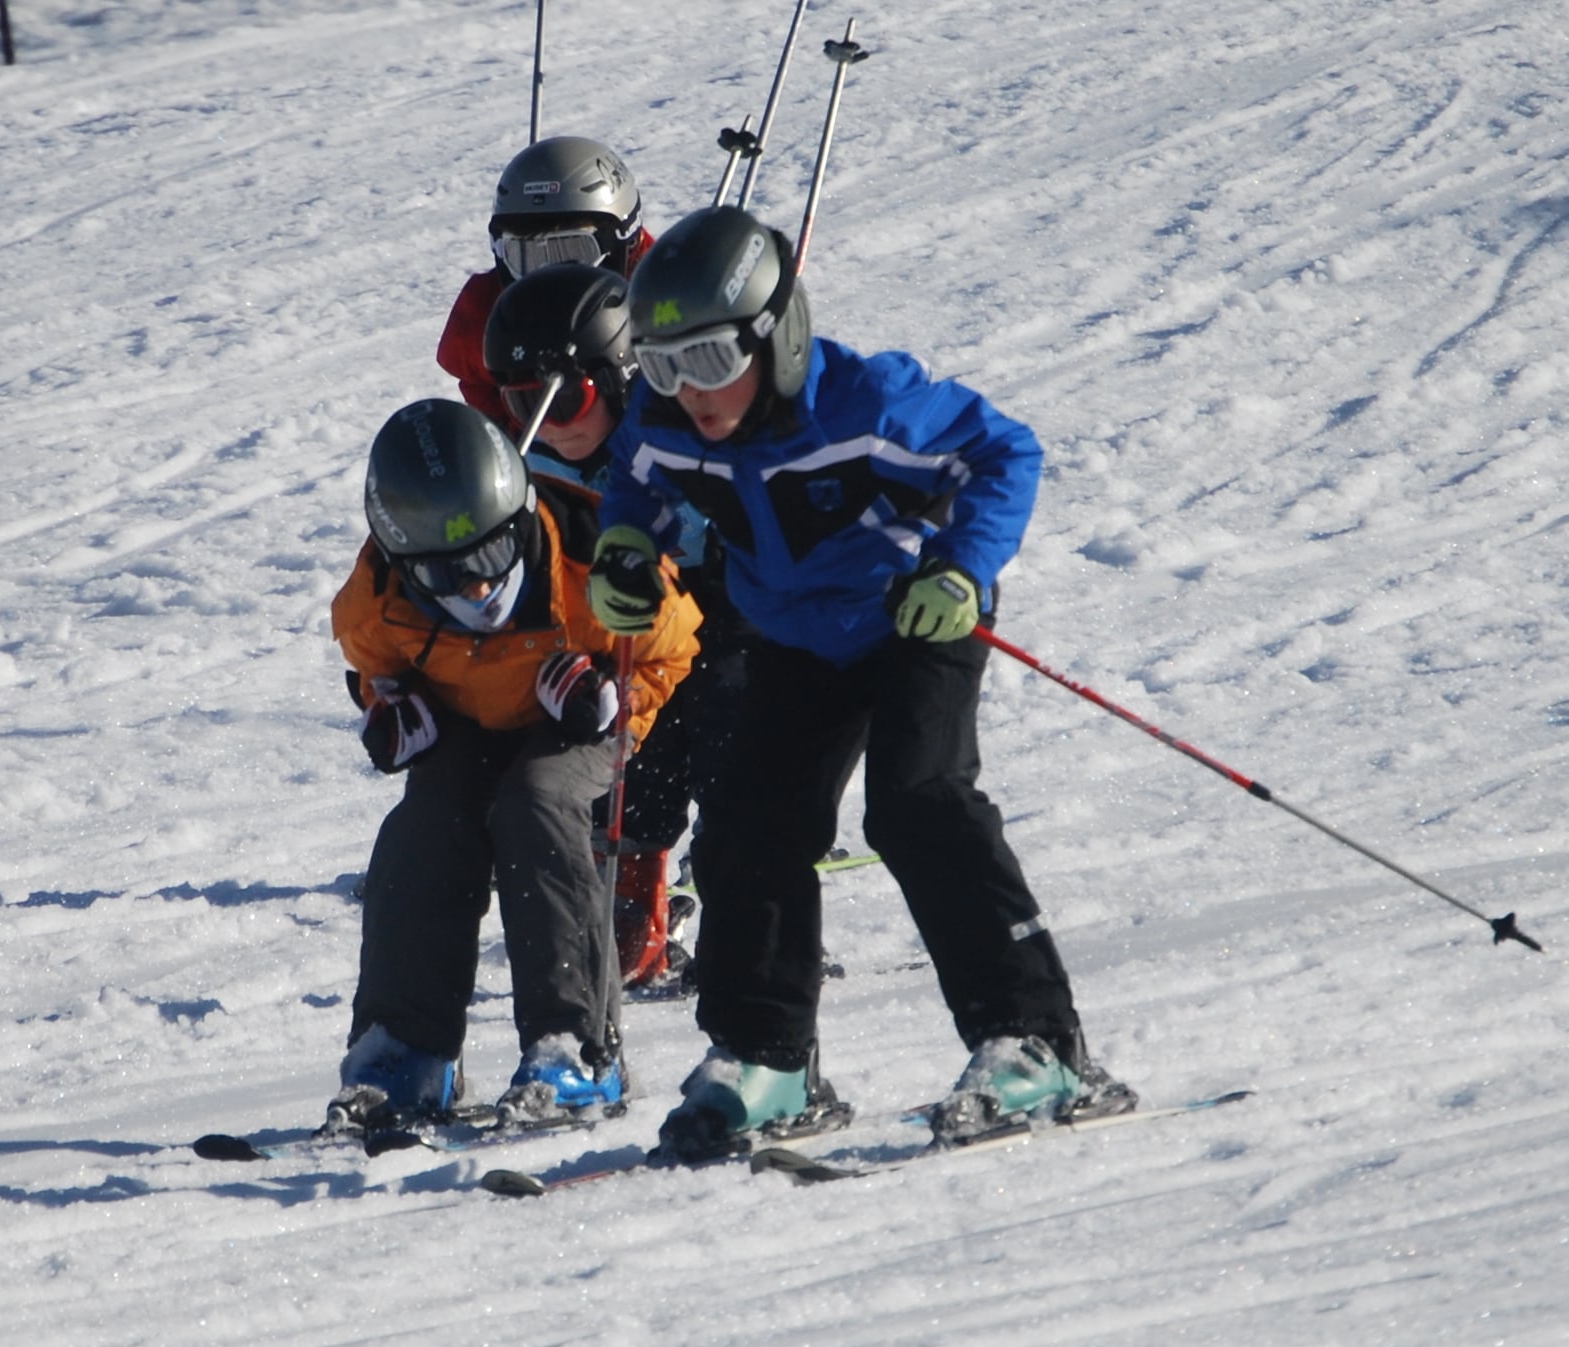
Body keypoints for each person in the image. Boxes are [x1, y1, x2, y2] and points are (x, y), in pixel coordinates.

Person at [584, 204, 1128, 1161]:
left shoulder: (869, 404)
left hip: (916, 612)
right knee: (751, 822)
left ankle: (1035, 1039)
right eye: (665, 366)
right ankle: (768, 1057)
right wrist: (628, 547)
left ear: (776, 336)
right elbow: (637, 478)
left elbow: (1005, 451)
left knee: (917, 802)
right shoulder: (668, 420)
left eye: (711, 362)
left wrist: (959, 568)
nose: (690, 393)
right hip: (800, 635)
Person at [328, 398, 701, 1133]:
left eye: (491, 558)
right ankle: (405, 1050)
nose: (474, 586)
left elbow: (676, 648)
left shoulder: (594, 560)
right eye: (444, 572)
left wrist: (615, 701)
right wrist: (390, 710)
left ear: (522, 520)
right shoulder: (377, 601)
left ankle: (575, 1047)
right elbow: (373, 668)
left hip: (575, 715)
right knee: (427, 824)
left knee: (540, 804)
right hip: (466, 720)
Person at [480, 260, 754, 991]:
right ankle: (632, 907)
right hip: (624, 645)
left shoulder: (678, 432)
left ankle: (753, 917)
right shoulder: (528, 466)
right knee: (622, 751)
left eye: (564, 398)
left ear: (623, 374)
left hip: (728, 627)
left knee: (732, 735)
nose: (545, 421)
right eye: (522, 400)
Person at [437, 136, 652, 418]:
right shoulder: (487, 321)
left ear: (627, 242)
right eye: (526, 257)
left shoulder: (660, 300)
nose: (551, 276)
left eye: (573, 251)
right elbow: (495, 428)